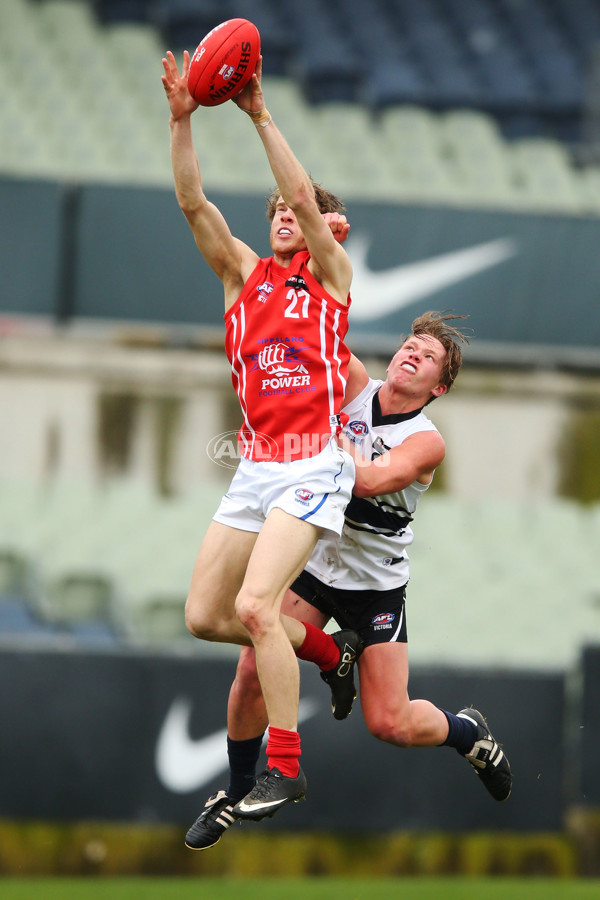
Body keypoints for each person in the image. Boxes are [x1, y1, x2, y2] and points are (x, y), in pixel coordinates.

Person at [185, 311, 512, 850]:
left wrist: (310, 441)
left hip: (375, 587)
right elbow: (312, 340)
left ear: (441, 386)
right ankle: (238, 789)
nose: (412, 355)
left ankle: (469, 734)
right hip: (316, 567)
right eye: (410, 345)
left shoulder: (427, 440)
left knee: (390, 723)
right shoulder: (355, 384)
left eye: (428, 356)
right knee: (250, 667)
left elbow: (370, 478)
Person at [161, 51, 365, 822]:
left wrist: (257, 112)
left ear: (317, 221)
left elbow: (312, 211)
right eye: (276, 206)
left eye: (298, 206)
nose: (286, 211)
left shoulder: (331, 279)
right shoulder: (243, 277)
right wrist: (183, 119)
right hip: (255, 469)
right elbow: (192, 203)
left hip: (313, 464)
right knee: (205, 617)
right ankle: (328, 651)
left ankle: (284, 769)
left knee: (254, 607)